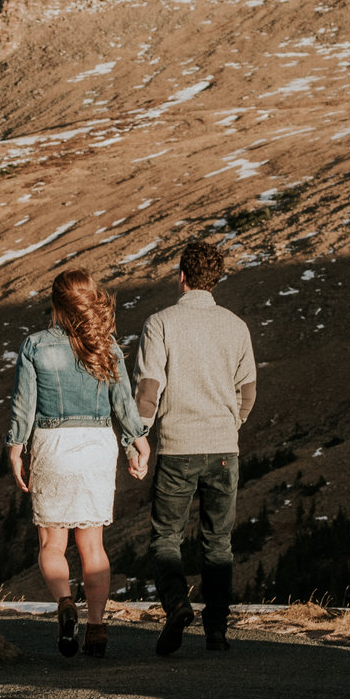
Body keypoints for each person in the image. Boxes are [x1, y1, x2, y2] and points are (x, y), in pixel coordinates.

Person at [5, 270, 150, 657]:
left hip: (53, 442)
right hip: (98, 444)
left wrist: (16, 447)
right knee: (93, 545)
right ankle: (98, 627)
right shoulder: (107, 346)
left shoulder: (35, 345)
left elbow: (24, 405)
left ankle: (66, 604)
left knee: (53, 542)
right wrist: (139, 441)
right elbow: (124, 402)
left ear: (55, 303)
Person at [132, 239, 257, 656]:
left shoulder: (160, 323)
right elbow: (248, 392)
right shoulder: (236, 326)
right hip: (223, 447)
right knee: (218, 543)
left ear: (181, 276)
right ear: (214, 279)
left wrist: (139, 437)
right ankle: (217, 631)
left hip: (177, 446)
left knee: (166, 538)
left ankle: (178, 605)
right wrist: (230, 425)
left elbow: (149, 390)